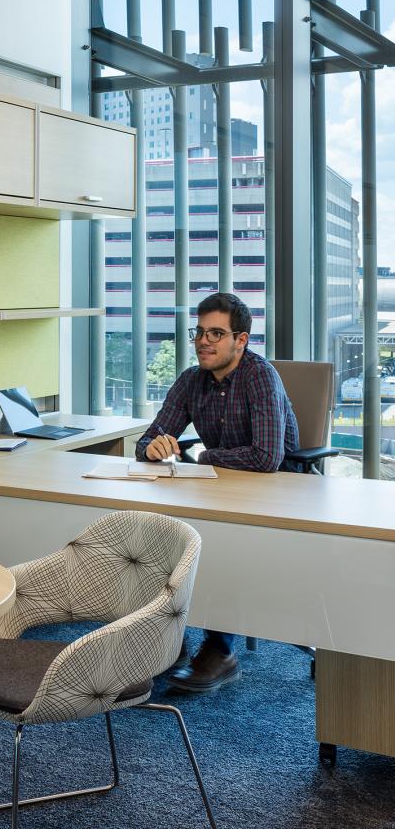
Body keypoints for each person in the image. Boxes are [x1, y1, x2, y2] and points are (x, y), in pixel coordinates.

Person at [135, 292, 300, 693]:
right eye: (199, 332)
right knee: (165, 530)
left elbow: (266, 458)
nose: (203, 341)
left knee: (218, 539)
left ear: (240, 341)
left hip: (283, 489)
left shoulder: (260, 376)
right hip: (221, 484)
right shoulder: (192, 380)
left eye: (215, 333)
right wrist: (154, 448)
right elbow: (147, 440)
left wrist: (204, 454)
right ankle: (166, 639)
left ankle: (219, 649)